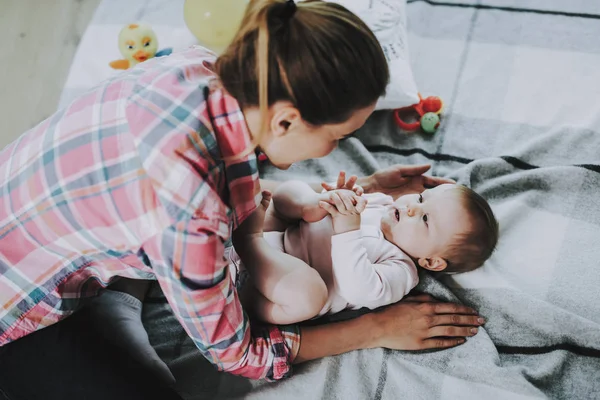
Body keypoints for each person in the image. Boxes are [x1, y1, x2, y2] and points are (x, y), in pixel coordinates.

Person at [0, 0, 486, 392]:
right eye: (338, 136)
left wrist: (371, 193)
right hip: (20, 309)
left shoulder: (204, 66)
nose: (335, 150)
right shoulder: (190, 214)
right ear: (286, 121)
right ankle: (116, 300)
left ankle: (132, 287)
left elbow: (238, 188)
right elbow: (238, 354)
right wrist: (374, 330)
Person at [231, 174, 499, 324]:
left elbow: (358, 289)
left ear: (431, 261)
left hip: (265, 289)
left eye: (425, 219)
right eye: (420, 198)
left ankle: (248, 241)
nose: (411, 207)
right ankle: (260, 233)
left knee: (310, 296)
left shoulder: (401, 270)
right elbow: (311, 208)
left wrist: (347, 229)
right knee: (296, 191)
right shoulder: (381, 204)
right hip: (278, 233)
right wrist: (330, 200)